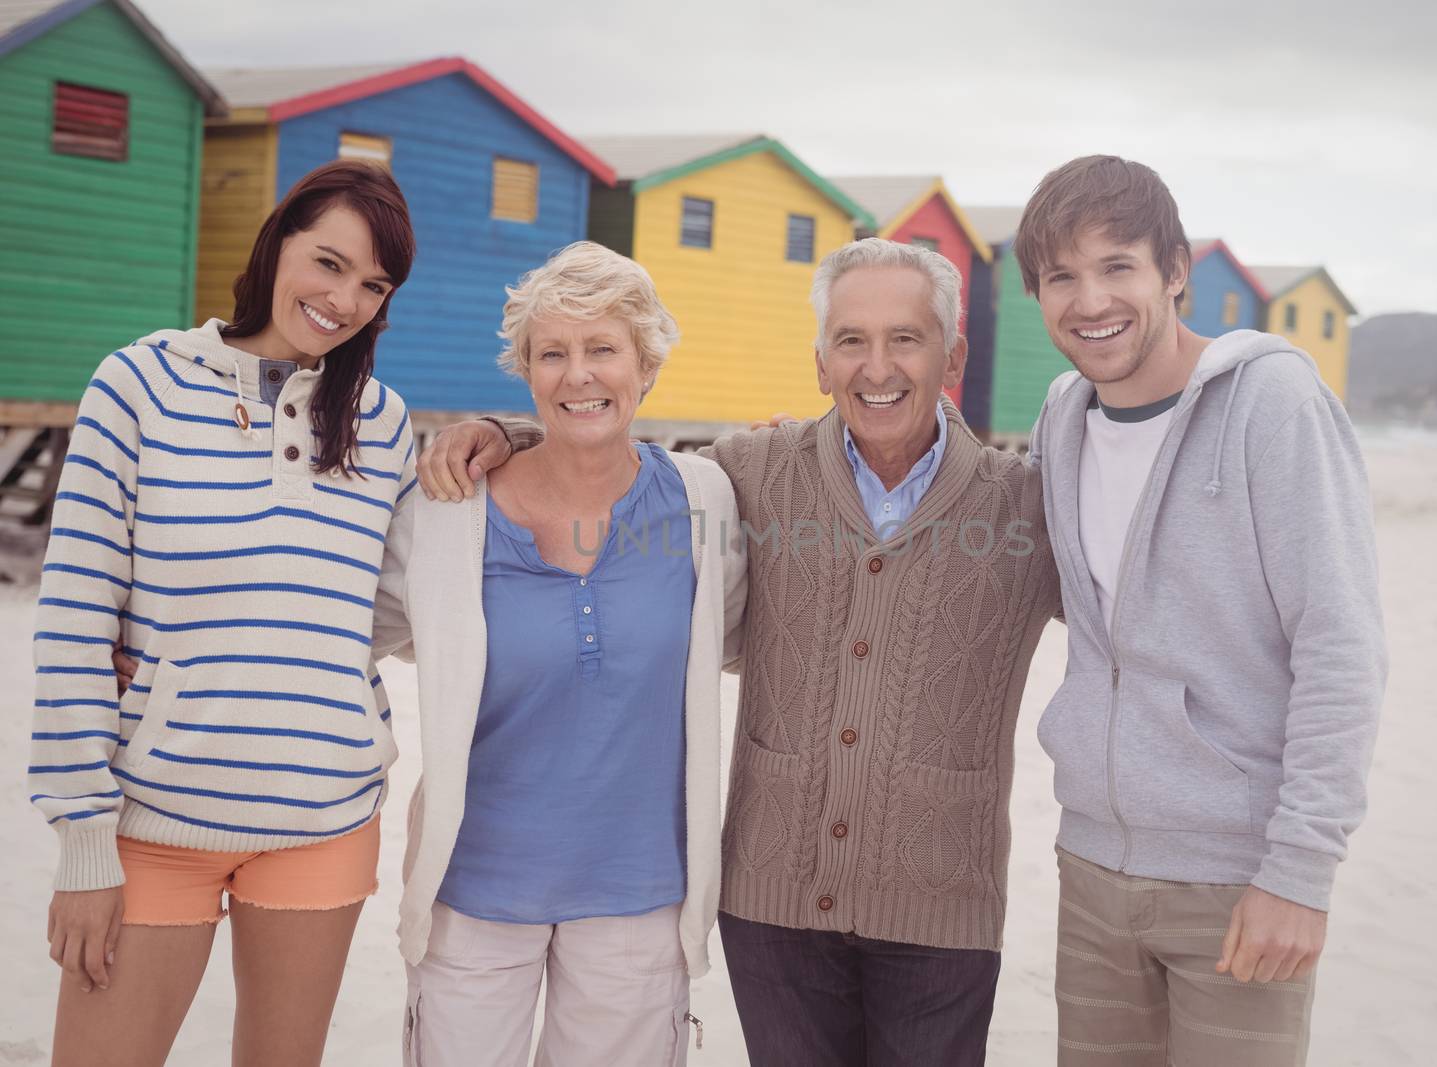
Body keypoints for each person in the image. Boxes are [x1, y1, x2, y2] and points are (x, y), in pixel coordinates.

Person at [418, 238, 1061, 1066]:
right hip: (773, 903)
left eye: (906, 338)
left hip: (943, 912)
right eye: (851, 341)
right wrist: (498, 432)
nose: (877, 366)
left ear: (953, 354)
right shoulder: (744, 475)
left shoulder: (1022, 506)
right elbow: (601, 453)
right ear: (821, 361)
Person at [28, 160, 417, 1066]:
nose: (342, 299)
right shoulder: (139, 385)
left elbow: (384, 605)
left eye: (373, 285)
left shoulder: (384, 421)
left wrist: (504, 437)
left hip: (325, 816)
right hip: (152, 825)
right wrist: (84, 842)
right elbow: (75, 619)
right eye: (327, 262)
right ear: (278, 240)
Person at [1016, 155, 1387, 1066]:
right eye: (1061, 276)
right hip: (1093, 871)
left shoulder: (1273, 403)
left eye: (1117, 266)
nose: (1089, 299)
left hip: (1238, 880)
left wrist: (1300, 873)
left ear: (1175, 270)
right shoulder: (1062, 417)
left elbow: (1341, 647)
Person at [376, 241, 746, 1066]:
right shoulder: (446, 510)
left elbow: (753, 639)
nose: (579, 375)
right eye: (554, 353)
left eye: (603, 349)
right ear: (528, 371)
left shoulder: (703, 501)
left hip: (641, 896)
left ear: (644, 364)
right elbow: (344, 631)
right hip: (472, 892)